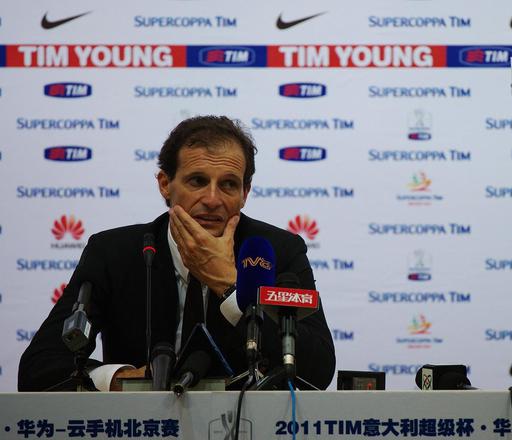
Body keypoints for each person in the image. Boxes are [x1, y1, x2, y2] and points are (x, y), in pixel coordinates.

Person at [18, 115, 336, 391]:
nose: (212, 199)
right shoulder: (114, 253)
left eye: (228, 184)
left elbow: (318, 370)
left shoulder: (277, 251)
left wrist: (230, 286)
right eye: (197, 181)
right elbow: (38, 368)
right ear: (165, 184)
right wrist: (117, 379)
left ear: (245, 193)